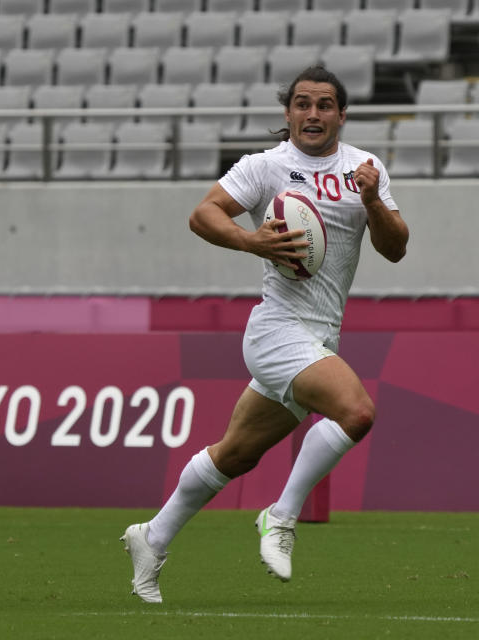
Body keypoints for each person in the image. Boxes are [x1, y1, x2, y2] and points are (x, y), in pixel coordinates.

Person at [121, 65, 409, 603]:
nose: (313, 114)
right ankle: (280, 518)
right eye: (302, 104)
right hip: (276, 329)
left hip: (321, 337)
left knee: (235, 455)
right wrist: (251, 242)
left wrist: (372, 200)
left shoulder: (366, 170)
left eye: (325, 105)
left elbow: (395, 248)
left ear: (342, 115)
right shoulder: (265, 167)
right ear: (288, 113)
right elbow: (203, 214)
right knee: (357, 411)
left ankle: (151, 537)